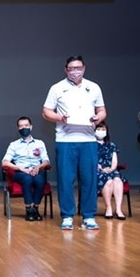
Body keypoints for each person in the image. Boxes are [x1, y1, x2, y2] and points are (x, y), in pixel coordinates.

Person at [42, 55, 106, 231]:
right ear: (66, 70)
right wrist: (60, 118)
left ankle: (89, 216)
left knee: (89, 179)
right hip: (65, 140)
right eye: (71, 68)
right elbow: (46, 112)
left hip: (88, 140)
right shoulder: (57, 88)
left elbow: (102, 110)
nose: (75, 71)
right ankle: (67, 216)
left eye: (78, 68)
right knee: (65, 179)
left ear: (84, 68)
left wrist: (98, 118)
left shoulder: (93, 87)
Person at [1, 116, 51, 221]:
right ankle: (29, 209)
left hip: (36, 170)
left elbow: (46, 161)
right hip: (21, 172)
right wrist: (19, 168)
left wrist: (39, 166)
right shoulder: (14, 145)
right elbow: (5, 162)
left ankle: (35, 208)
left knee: (40, 180)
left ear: (31, 127)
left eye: (26, 125)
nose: (24, 128)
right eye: (21, 126)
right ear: (18, 128)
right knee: (27, 179)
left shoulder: (39, 143)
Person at [95, 121, 126, 220]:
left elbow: (114, 160)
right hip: (97, 171)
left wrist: (111, 169)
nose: (101, 131)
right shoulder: (90, 145)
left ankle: (118, 209)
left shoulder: (112, 145)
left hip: (110, 170)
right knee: (108, 181)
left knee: (117, 180)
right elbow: (90, 159)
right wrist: (100, 168)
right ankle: (108, 207)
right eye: (98, 129)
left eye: (103, 129)